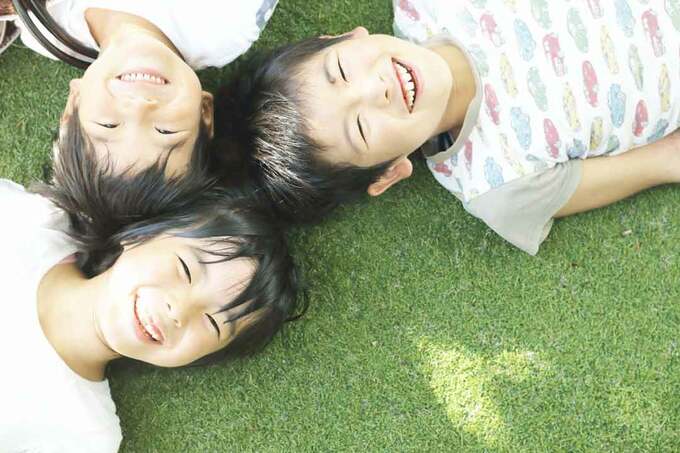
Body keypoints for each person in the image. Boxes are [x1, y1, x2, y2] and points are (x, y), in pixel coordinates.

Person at [215, 0, 680, 254]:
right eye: (360, 128)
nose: (376, 89)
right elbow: (663, 161)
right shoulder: (498, 185)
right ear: (388, 173)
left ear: (340, 37)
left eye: (340, 70)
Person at [0, 175, 299, 452]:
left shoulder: (84, 437)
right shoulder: (27, 221)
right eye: (185, 269)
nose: (179, 311)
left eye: (212, 323)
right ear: (141, 235)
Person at [16, 0, 278, 176]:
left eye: (109, 125)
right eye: (165, 131)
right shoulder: (225, 26)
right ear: (204, 113)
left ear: (74, 103)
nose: (139, 106)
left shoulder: (45, 29)